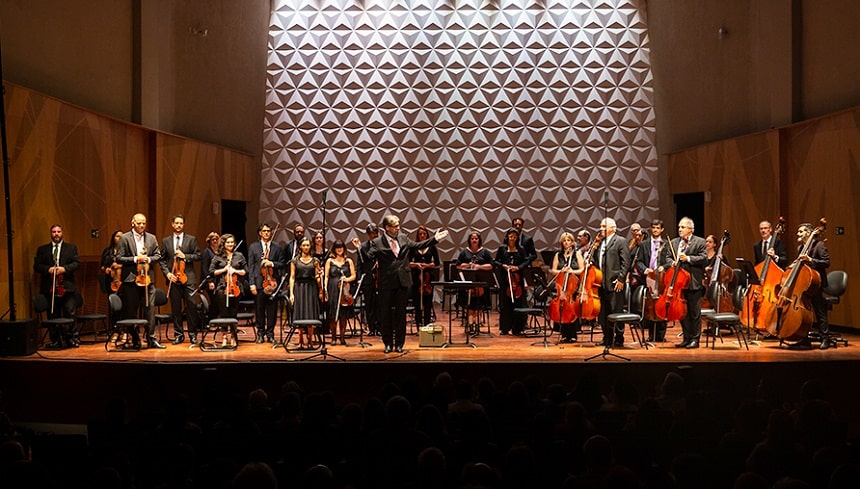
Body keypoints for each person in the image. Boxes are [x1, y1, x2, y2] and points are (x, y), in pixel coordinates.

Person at [353, 215, 448, 353]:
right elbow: (369, 258)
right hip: (386, 283)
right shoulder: (378, 242)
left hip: (402, 282)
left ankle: (399, 344)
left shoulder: (403, 238)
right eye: (396, 226)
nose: (398, 228)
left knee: (400, 315)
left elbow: (418, 245)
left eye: (398, 225)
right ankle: (387, 344)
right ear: (387, 228)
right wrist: (360, 248)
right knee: (386, 314)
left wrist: (435, 239)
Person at [116, 213, 164, 349]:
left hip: (148, 279)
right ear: (132, 223)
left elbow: (158, 256)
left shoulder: (151, 238)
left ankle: (151, 338)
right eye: (139, 223)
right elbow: (119, 258)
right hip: (131, 279)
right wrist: (135, 259)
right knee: (131, 311)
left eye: (143, 223)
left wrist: (148, 259)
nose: (142, 225)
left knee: (150, 310)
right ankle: (135, 337)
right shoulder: (125, 238)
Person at [659, 217, 708, 349]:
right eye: (679, 227)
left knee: (694, 312)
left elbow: (704, 258)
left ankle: (695, 339)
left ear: (690, 229)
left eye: (683, 227)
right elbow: (668, 257)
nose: (680, 229)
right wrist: (672, 263)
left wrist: (688, 258)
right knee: (682, 313)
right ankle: (686, 338)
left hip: (693, 282)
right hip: (678, 283)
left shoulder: (700, 242)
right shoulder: (674, 242)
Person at [33, 224, 81, 348]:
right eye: (54, 232)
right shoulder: (42, 249)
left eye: (58, 231)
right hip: (50, 287)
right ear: (51, 234)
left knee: (70, 313)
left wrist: (64, 269)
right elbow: (37, 266)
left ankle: (71, 338)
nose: (56, 234)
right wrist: (48, 269)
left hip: (67, 286)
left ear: (62, 233)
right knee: (52, 313)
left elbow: (76, 263)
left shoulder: (71, 248)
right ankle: (55, 339)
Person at [158, 214, 202, 345]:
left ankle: (193, 334)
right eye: (176, 223)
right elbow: (162, 260)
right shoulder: (166, 241)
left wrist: (185, 256)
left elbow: (198, 255)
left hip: (188, 278)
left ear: (183, 225)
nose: (178, 225)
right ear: (172, 224)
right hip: (173, 278)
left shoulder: (191, 239)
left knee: (191, 306)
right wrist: (167, 274)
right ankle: (178, 334)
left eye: (181, 223)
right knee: (176, 308)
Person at [790, 222, 831, 349]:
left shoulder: (819, 245)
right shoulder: (800, 248)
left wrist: (811, 260)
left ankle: (825, 339)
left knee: (820, 312)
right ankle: (804, 338)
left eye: (801, 231)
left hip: (816, 283)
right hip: (804, 284)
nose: (798, 234)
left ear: (808, 233)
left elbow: (826, 262)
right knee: (805, 313)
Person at [593, 218, 631, 348]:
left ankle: (619, 338)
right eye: (600, 226)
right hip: (601, 284)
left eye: (604, 226)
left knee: (616, 311)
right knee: (603, 313)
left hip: (615, 283)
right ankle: (607, 338)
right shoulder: (601, 243)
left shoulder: (620, 241)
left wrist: (621, 279)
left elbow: (626, 262)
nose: (601, 229)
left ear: (612, 228)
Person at [247, 222, 287, 343]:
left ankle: (270, 333)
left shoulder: (277, 247)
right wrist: (252, 283)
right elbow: (251, 266)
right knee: (259, 310)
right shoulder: (253, 247)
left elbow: (282, 264)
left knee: (272, 310)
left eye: (269, 231)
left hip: (272, 283)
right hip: (259, 283)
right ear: (260, 233)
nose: (267, 233)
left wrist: (272, 263)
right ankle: (260, 333)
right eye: (264, 231)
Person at [209, 234, 248, 345]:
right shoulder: (218, 256)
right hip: (222, 287)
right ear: (224, 244)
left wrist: (235, 271)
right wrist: (224, 269)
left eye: (232, 242)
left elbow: (245, 271)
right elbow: (211, 271)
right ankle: (225, 337)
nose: (230, 244)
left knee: (233, 313)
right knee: (224, 313)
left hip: (236, 287)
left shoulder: (239, 255)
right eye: (228, 242)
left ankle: (235, 337)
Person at [455, 231, 494, 332]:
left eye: (476, 238)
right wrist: (468, 265)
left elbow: (491, 265)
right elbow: (458, 265)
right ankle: (470, 324)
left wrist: (479, 266)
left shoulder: (484, 252)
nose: (474, 240)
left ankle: (477, 323)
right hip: (468, 283)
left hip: (481, 283)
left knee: (479, 305)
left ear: (479, 240)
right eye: (472, 238)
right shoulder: (464, 252)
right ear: (469, 240)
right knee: (469, 305)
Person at [636, 219, 668, 342]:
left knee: (662, 305)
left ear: (662, 229)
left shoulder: (665, 244)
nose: (655, 230)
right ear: (651, 228)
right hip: (649, 278)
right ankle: (650, 335)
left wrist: (663, 267)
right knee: (649, 306)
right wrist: (645, 269)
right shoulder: (644, 244)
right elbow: (638, 261)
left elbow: (669, 261)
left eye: (658, 228)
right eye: (653, 227)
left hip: (661, 279)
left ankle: (661, 335)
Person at [550, 232, 585, 343]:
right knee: (562, 309)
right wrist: (561, 271)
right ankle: (564, 334)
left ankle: (573, 334)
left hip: (573, 287)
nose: (566, 242)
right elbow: (553, 270)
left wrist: (571, 271)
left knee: (572, 308)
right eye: (564, 240)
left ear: (572, 242)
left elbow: (582, 269)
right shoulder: (558, 255)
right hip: (561, 287)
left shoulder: (576, 254)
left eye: (568, 240)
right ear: (562, 242)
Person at [494, 228, 529, 335]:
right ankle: (505, 328)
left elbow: (526, 261)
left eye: (514, 236)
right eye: (510, 236)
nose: (512, 238)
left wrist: (518, 268)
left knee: (519, 303)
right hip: (505, 280)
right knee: (505, 305)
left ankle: (518, 328)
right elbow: (495, 261)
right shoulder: (502, 249)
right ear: (507, 237)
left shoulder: (521, 249)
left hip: (518, 281)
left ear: (517, 238)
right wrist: (503, 266)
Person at [289, 237, 322, 349]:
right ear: (300, 247)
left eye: (308, 245)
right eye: (304, 245)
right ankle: (300, 341)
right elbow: (292, 277)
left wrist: (320, 274)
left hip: (311, 288)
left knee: (310, 313)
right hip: (299, 287)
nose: (306, 247)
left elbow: (317, 278)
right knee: (300, 312)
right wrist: (291, 294)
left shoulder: (315, 261)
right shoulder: (295, 261)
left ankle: (311, 341)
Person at [324, 240, 357, 345]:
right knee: (333, 315)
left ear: (344, 248)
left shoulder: (349, 261)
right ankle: (333, 337)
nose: (339, 249)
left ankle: (342, 337)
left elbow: (354, 276)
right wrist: (324, 288)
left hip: (344, 290)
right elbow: (326, 276)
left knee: (343, 315)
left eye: (341, 247)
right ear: (334, 249)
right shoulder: (329, 261)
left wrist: (346, 279)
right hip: (333, 289)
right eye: (337, 247)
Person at [408, 225, 440, 328]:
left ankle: (426, 325)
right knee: (417, 304)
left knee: (427, 304)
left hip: (428, 278)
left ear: (427, 235)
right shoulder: (413, 247)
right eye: (420, 234)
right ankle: (418, 325)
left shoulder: (432, 247)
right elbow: (407, 263)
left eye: (424, 234)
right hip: (416, 278)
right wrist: (416, 265)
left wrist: (427, 265)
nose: (422, 236)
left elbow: (436, 263)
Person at [355, 223, 381, 336]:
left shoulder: (382, 245)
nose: (373, 236)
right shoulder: (363, 247)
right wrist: (359, 278)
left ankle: (380, 328)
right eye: (371, 234)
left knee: (380, 305)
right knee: (369, 305)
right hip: (368, 279)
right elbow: (360, 265)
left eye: (375, 234)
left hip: (380, 279)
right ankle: (372, 328)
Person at [200, 231, 220, 317]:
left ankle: (215, 320)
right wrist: (209, 281)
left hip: (218, 280)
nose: (215, 241)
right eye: (213, 239)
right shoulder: (206, 252)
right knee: (214, 301)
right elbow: (204, 268)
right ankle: (211, 320)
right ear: (209, 241)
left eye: (216, 239)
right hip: (210, 281)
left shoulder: (219, 252)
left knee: (218, 301)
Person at [100, 229, 124, 295]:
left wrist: (119, 266)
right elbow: (102, 265)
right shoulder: (107, 250)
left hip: (123, 277)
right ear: (113, 238)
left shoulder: (127, 250)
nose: (120, 238)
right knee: (111, 297)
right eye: (117, 236)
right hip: (110, 278)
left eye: (121, 237)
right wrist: (105, 269)